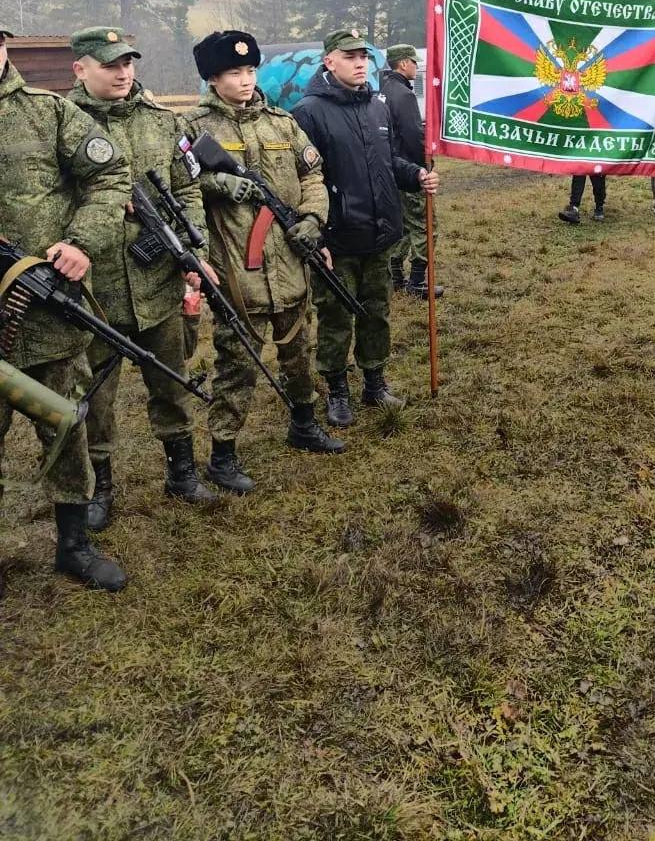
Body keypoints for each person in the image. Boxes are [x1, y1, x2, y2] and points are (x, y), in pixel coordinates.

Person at [183, 30, 344, 495]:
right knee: (238, 362)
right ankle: (223, 453)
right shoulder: (194, 128)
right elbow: (179, 186)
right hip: (237, 267)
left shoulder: (282, 123)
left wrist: (313, 219)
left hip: (289, 259)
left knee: (299, 350)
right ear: (213, 79)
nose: (246, 79)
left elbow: (312, 173)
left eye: (250, 70)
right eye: (234, 72)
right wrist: (220, 185)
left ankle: (304, 423)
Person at [68, 26, 217, 528]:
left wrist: (194, 251)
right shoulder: (62, 124)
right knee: (97, 396)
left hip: (159, 283)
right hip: (95, 291)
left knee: (171, 382)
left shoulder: (162, 122)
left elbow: (189, 189)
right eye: (110, 64)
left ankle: (182, 472)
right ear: (80, 69)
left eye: (128, 62)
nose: (123, 72)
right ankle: (98, 488)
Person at [0, 23, 129, 591]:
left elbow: (111, 175)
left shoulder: (46, 113)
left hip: (49, 309)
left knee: (65, 423)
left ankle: (73, 545)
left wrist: (81, 242)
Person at [292, 29, 440, 427]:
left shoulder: (377, 106)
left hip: (381, 233)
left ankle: (375, 381)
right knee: (336, 316)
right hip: (337, 239)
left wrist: (416, 176)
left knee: (377, 311)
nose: (360, 63)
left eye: (364, 56)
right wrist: (317, 235)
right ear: (329, 61)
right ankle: (337, 390)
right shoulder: (308, 112)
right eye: (350, 56)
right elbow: (303, 181)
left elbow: (389, 161)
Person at [380, 44, 443, 299]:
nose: (416, 67)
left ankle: (395, 274)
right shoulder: (404, 95)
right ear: (403, 63)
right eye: (413, 62)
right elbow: (413, 134)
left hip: (391, 168)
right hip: (409, 170)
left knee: (403, 224)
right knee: (426, 225)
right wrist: (425, 168)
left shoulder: (383, 91)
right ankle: (417, 281)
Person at [558, 173, 655, 223]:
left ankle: (599, 207)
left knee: (598, 177)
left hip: (599, 140)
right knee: (579, 173)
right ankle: (574, 207)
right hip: (584, 140)